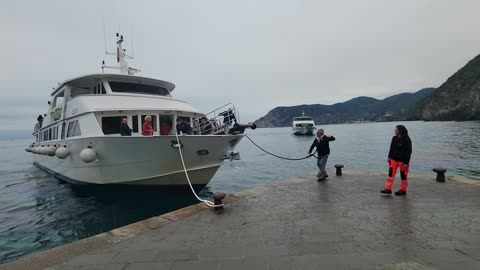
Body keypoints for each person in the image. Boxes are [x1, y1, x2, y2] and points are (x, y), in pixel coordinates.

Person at [380, 125, 412, 196]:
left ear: (400, 130)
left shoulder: (407, 140)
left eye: (396, 129)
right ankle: (388, 189)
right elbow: (391, 148)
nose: (395, 130)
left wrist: (406, 163)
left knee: (403, 176)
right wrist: (389, 157)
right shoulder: (394, 138)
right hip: (393, 159)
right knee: (390, 175)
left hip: (403, 161)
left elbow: (408, 152)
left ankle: (403, 190)